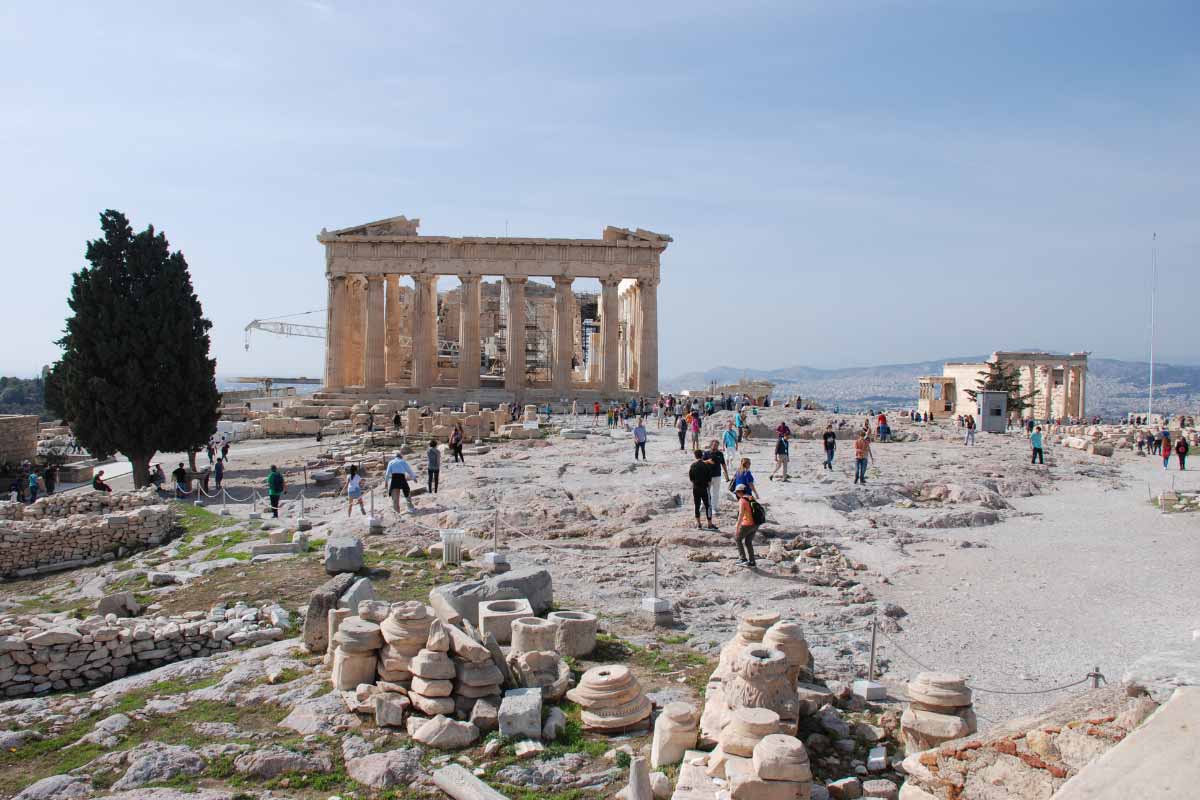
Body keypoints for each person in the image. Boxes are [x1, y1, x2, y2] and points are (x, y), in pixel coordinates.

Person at [733, 484, 761, 569]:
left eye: (737, 492)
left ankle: (743, 559)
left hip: (747, 524)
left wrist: (737, 526)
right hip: (755, 524)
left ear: (740, 492)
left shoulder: (742, 500)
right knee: (748, 542)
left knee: (737, 539)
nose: (736, 494)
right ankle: (752, 561)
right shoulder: (751, 497)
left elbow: (741, 514)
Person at [688, 450, 715, 530]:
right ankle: (709, 524)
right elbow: (709, 479)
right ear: (702, 455)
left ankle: (698, 524)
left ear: (695, 456)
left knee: (697, 505)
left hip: (696, 488)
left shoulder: (693, 465)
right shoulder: (706, 465)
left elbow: (691, 478)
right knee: (708, 506)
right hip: (704, 487)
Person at [705, 438, 730, 514]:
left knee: (715, 492)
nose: (715, 446)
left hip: (717, 476)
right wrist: (707, 461)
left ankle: (714, 507)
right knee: (707, 492)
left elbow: (723, 464)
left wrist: (726, 475)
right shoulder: (706, 453)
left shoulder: (720, 454)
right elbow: (701, 462)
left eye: (716, 445)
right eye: (714, 445)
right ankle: (706, 506)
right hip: (707, 476)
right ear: (711, 445)